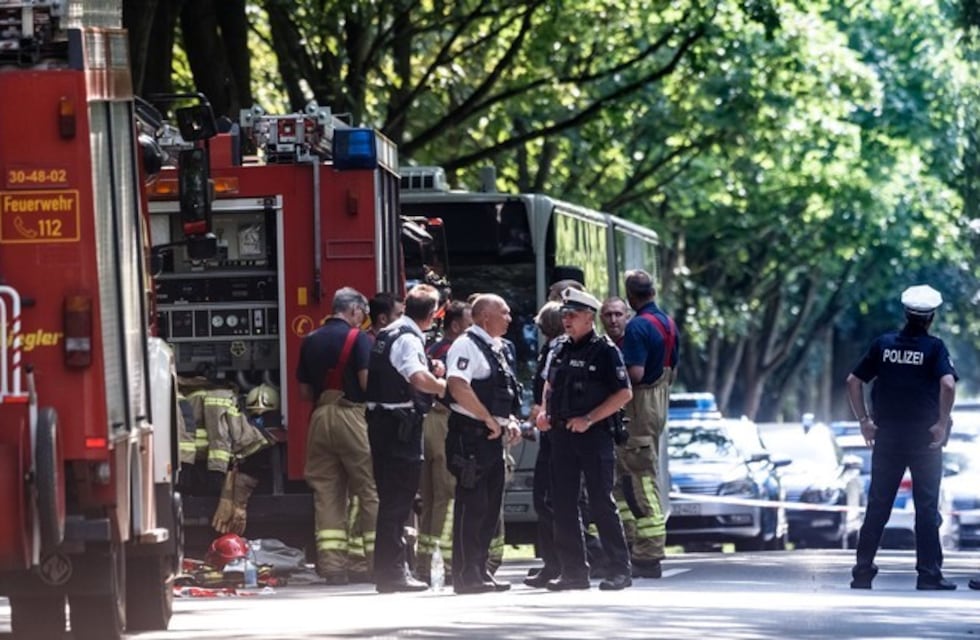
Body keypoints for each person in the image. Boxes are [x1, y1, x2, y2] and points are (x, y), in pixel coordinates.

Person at [847, 284, 957, 591]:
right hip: (925, 440)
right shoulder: (934, 348)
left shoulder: (883, 345)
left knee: (878, 504)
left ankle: (862, 572)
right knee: (926, 508)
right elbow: (948, 385)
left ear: (906, 314)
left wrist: (864, 421)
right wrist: (941, 423)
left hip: (888, 437)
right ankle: (929, 574)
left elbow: (853, 381)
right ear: (931, 317)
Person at [536, 288, 633, 591]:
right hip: (562, 435)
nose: (567, 320)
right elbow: (550, 384)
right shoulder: (560, 348)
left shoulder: (605, 350)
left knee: (601, 502)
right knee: (563, 504)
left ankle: (619, 569)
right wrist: (544, 412)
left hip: (594, 436)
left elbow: (624, 393)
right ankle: (574, 572)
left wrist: (589, 419)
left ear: (589, 317)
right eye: (564, 314)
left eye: (573, 315)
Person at [365, 284, 447, 593]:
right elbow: (416, 377)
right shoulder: (408, 338)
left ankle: (388, 571)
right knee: (398, 502)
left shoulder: (388, 332)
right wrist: (443, 386)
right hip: (400, 428)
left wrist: (429, 367)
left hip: (382, 423)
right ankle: (393, 573)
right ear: (432, 314)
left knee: (391, 500)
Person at [296, 287, 377, 585]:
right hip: (351, 415)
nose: (363, 320)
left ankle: (332, 567)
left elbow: (304, 391)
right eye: (362, 314)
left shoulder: (310, 340)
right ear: (353, 309)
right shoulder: (359, 339)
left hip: (320, 418)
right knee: (368, 489)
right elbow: (366, 382)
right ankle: (376, 562)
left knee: (326, 492)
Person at [444, 294, 522, 594]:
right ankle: (466, 575)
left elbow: (502, 392)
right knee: (473, 505)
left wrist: (508, 420)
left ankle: (480, 570)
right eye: (505, 312)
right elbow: (457, 386)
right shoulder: (466, 345)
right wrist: (488, 418)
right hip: (471, 437)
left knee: (490, 507)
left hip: (492, 438)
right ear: (486, 316)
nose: (509, 318)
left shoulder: (498, 347)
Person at [619, 269, 678, 579]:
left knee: (640, 476)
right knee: (636, 473)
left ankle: (648, 552)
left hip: (639, 406)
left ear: (630, 297)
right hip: (659, 402)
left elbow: (636, 374)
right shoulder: (668, 323)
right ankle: (635, 544)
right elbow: (672, 368)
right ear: (653, 292)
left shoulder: (637, 326)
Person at [416, 300, 473, 585]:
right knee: (448, 495)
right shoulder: (456, 351)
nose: (473, 328)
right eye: (469, 322)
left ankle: (424, 562)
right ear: (456, 325)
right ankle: (449, 564)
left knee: (430, 498)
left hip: (427, 422)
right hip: (445, 421)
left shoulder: (432, 349)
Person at [523, 301, 564, 588]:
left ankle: (557, 563)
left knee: (548, 499)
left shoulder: (556, 350)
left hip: (555, 434)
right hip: (550, 432)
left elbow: (548, 391)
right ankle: (554, 563)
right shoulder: (552, 349)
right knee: (547, 499)